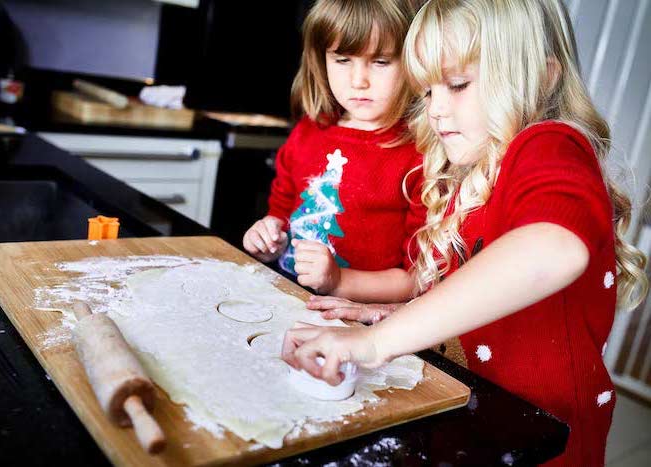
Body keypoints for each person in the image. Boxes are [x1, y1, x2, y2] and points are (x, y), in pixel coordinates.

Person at [282, 1, 649, 465]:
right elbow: (478, 316)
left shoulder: (549, 145)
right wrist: (386, 314)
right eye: (427, 91)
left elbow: (550, 250)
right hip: (479, 425)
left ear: (543, 76)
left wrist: (374, 344)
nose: (435, 111)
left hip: (542, 445)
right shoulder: (476, 179)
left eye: (457, 85)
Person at [242, 0, 426, 303]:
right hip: (285, 299)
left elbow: (417, 279)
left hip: (356, 327)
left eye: (380, 61)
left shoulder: (419, 155)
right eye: (342, 60)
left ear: (415, 62)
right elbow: (281, 214)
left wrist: (339, 281)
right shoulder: (308, 131)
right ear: (320, 59)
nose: (359, 81)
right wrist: (269, 238)